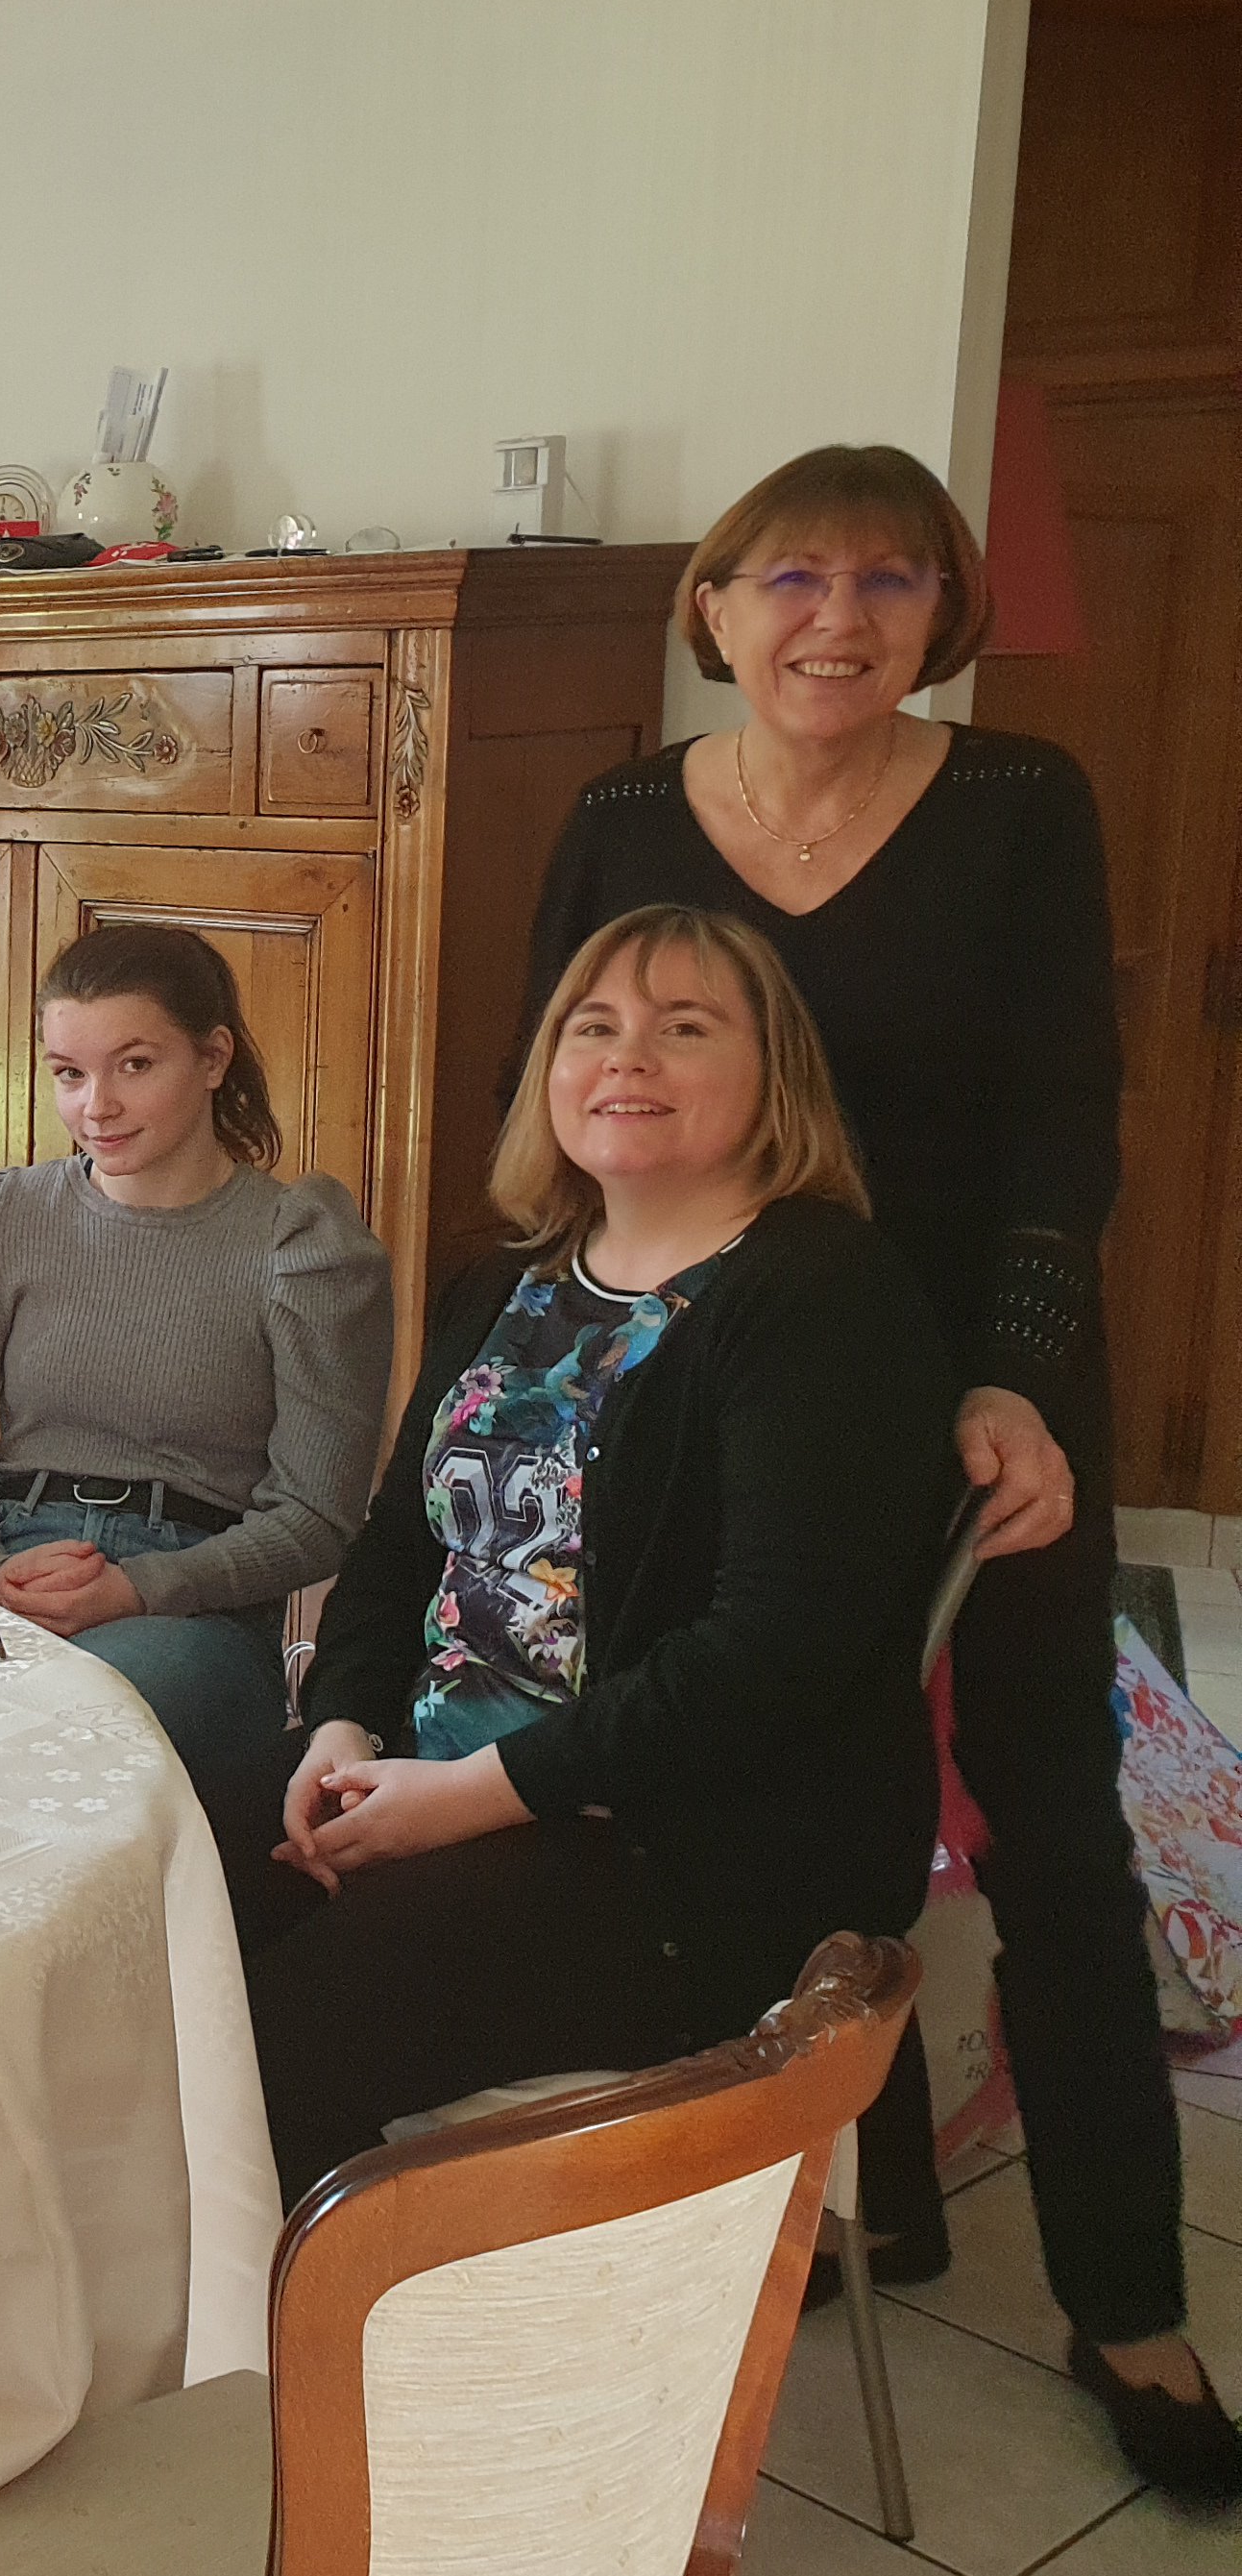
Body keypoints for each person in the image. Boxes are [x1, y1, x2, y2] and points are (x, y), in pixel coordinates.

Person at [527, 444, 1239, 2497]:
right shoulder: (623, 817)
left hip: (973, 1393)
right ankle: (836, 2193)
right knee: (753, 1786)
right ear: (714, 606)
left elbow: (1060, 1125)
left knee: (1046, 1822)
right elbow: (566, 1088)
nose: (836, 619)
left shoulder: (1019, 801)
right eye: (790, 577)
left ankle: (1127, 2296)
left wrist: (1012, 1377)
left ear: (944, 612)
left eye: (889, 581)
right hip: (708, 1370)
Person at [260, 909, 960, 2202]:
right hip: (439, 1782)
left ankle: (341, 2322)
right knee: (173, 1919)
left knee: (275, 2027)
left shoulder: (822, 1296)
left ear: (773, 1077)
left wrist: (463, 1800)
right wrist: (341, 1727)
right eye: (595, 1026)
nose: (628, 1056)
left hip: (685, 1859)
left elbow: (766, 1663)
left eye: (684, 1028)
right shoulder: (500, 1284)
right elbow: (399, 1546)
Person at [0, 923, 390, 1843]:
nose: (97, 1107)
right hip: (7, 1559)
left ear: (213, 1058)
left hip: (194, 1606)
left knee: (53, 1738)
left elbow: (318, 1517)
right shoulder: (1, 1218)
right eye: (69, 1073)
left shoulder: (300, 1246)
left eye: (134, 1064)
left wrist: (137, 1588)